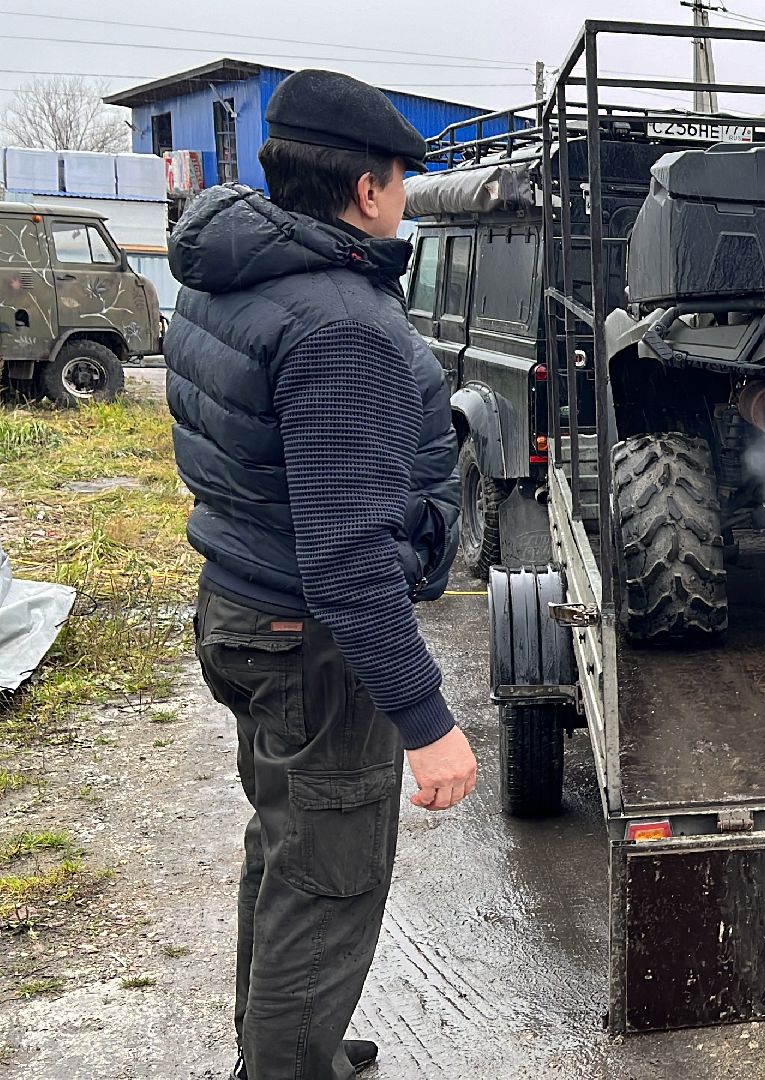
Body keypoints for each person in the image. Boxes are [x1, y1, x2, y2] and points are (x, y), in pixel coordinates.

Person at [166, 69, 475, 1080]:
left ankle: (288, 1047)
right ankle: (284, 1064)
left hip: (243, 603)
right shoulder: (341, 321)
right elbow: (347, 563)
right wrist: (429, 726)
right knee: (332, 878)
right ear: (368, 188)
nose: (401, 198)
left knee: (290, 845)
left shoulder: (238, 268)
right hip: (309, 635)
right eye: (401, 179)